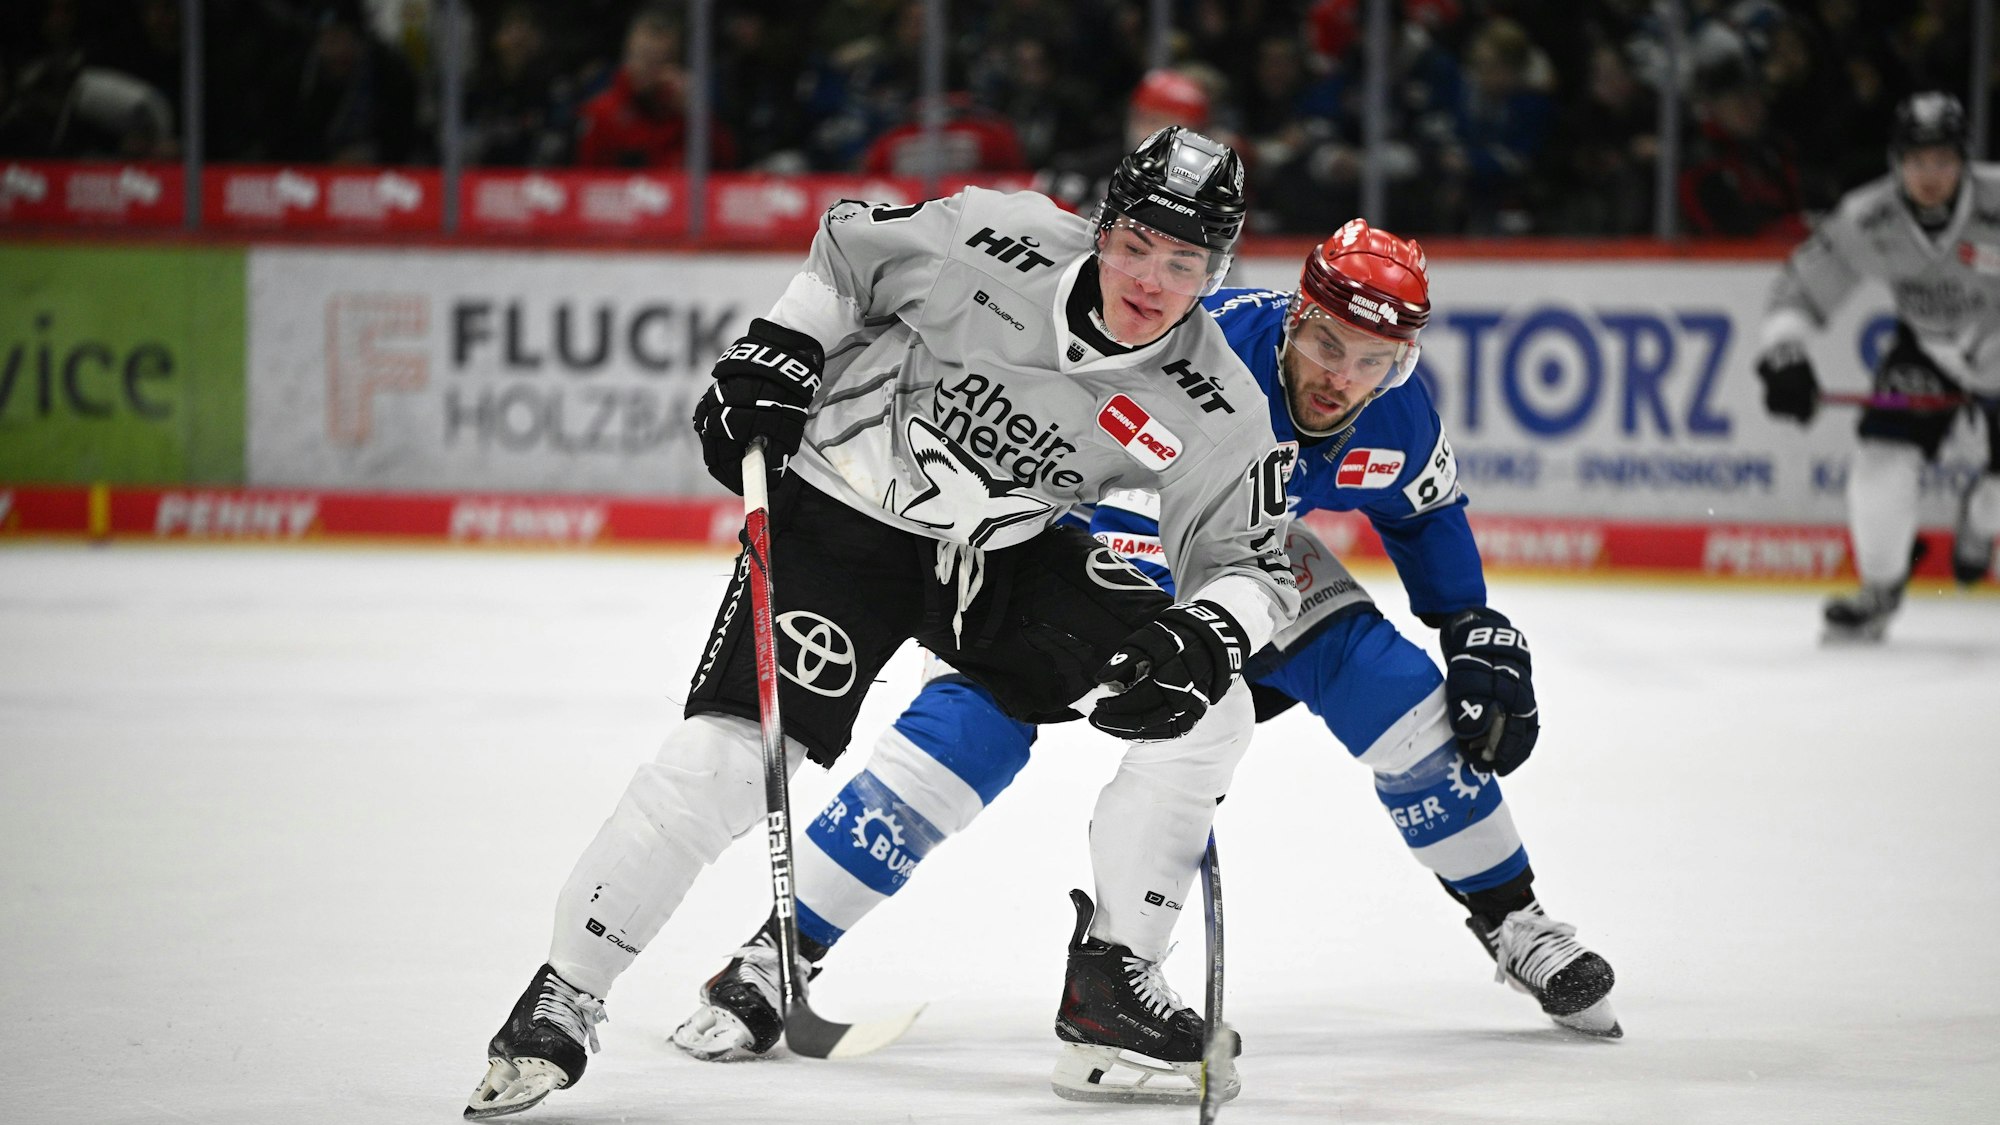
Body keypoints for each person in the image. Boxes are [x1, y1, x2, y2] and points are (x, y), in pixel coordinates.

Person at [669, 219, 1624, 1097]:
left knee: (1398, 688)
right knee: (966, 731)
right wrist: (1173, 617)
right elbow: (1095, 475)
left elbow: (1423, 514)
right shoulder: (1208, 351)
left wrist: (1472, 626)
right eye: (1327, 342)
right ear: (1296, 314)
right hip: (1081, 541)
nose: (1341, 376)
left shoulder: (1401, 413)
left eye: (1372, 359)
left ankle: (1513, 920)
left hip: (1251, 559)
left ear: (1402, 360)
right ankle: (776, 953)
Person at [464, 125, 1300, 1119]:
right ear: (1100, 226)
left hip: (995, 556)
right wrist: (777, 347)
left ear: (1217, 268)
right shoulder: (997, 236)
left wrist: (1209, 632)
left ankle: (1109, 986)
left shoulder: (1213, 399)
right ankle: (562, 996)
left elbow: (1251, 566)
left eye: (1183, 262)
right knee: (728, 761)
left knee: (1207, 710)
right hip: (838, 514)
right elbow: (849, 250)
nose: (1150, 281)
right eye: (1134, 246)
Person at [1755, 91, 2000, 641]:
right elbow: (1801, 288)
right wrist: (1785, 353)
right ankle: (1880, 591)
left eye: (1942, 161)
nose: (1929, 175)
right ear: (1896, 162)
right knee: (1880, 461)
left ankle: (1982, 517)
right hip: (1930, 350)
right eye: (1917, 162)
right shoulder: (1869, 217)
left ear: (1963, 160)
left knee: (1997, 499)